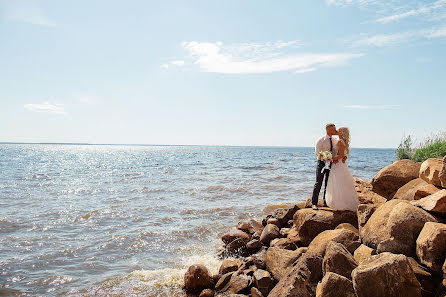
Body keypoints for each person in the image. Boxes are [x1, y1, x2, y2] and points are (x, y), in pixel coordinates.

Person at [325, 127, 359, 211]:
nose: (336, 131)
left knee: (338, 183)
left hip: (338, 164)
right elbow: (344, 154)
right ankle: (338, 201)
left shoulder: (340, 142)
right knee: (340, 182)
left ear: (342, 133)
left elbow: (340, 155)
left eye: (339, 130)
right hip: (340, 164)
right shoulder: (341, 141)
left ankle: (339, 203)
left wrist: (332, 159)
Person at [311, 123, 339, 210]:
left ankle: (325, 202)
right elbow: (317, 153)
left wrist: (334, 158)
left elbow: (336, 151)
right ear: (328, 129)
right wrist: (326, 158)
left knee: (328, 183)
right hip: (321, 163)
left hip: (331, 164)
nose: (335, 131)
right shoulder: (320, 140)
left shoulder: (334, 140)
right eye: (333, 129)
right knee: (318, 182)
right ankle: (314, 203)